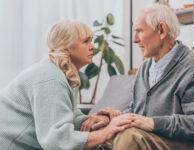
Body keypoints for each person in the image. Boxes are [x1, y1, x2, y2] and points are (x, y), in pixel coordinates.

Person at [97, 4, 194, 150]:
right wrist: (113, 119)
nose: (135, 40)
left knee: (128, 137)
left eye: (139, 31)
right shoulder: (144, 68)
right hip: (148, 138)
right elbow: (137, 114)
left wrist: (153, 123)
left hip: (190, 144)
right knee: (100, 136)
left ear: (161, 30)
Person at [0, 20, 135, 150]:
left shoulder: (64, 72)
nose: (93, 46)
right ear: (65, 48)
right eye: (85, 41)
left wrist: (93, 119)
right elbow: (57, 141)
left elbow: (66, 116)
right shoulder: (51, 78)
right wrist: (106, 132)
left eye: (91, 40)